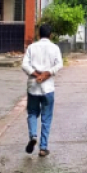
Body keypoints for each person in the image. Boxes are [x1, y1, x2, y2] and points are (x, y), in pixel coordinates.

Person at [21, 24, 63, 156]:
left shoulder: (32, 47)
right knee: (46, 118)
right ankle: (43, 147)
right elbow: (59, 64)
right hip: (48, 88)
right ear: (50, 35)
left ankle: (33, 135)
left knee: (32, 113)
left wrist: (36, 74)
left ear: (38, 35)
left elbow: (24, 65)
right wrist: (47, 73)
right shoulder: (55, 48)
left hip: (33, 87)